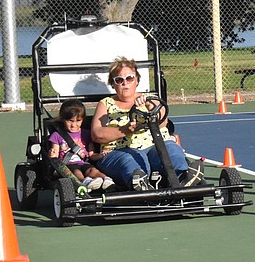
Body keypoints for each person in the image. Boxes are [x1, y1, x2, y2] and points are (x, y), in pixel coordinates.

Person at [91, 57, 204, 190]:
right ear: (113, 84)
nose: (125, 83)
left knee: (171, 149)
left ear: (136, 80)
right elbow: (97, 134)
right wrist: (125, 129)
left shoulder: (149, 99)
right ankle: (139, 182)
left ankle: (183, 178)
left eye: (129, 78)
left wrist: (150, 105)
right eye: (119, 80)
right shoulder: (106, 104)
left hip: (154, 146)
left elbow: (163, 123)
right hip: (119, 151)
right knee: (131, 160)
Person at [47, 98, 114, 191]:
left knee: (93, 170)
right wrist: (52, 154)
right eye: (70, 121)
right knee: (77, 172)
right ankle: (84, 182)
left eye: (78, 121)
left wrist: (100, 155)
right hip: (67, 165)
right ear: (63, 120)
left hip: (83, 162)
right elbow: (55, 154)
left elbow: (91, 155)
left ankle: (106, 179)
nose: (74, 125)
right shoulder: (57, 135)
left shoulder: (86, 134)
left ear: (83, 120)